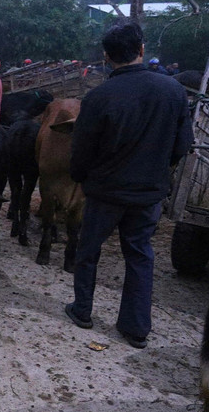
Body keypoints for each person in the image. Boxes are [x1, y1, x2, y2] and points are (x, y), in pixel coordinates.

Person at [65, 21, 192, 349]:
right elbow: (182, 145)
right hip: (148, 193)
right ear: (142, 50)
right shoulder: (173, 91)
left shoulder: (98, 97)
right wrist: (159, 171)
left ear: (106, 57)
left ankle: (82, 311)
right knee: (139, 254)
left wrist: (81, 178)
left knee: (88, 249)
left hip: (105, 192)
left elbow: (81, 151)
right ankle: (135, 328)